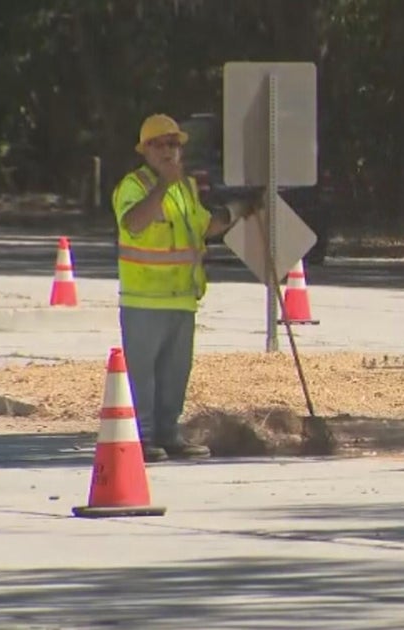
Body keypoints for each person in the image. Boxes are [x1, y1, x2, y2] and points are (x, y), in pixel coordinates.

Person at [112, 113, 257, 462]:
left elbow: (204, 226)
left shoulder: (185, 189)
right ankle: (142, 438)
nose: (167, 151)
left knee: (175, 375)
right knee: (142, 377)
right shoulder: (134, 186)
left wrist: (239, 208)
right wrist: (162, 185)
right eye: (159, 144)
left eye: (173, 144)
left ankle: (168, 435)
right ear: (145, 150)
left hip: (181, 300)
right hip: (144, 301)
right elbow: (133, 223)